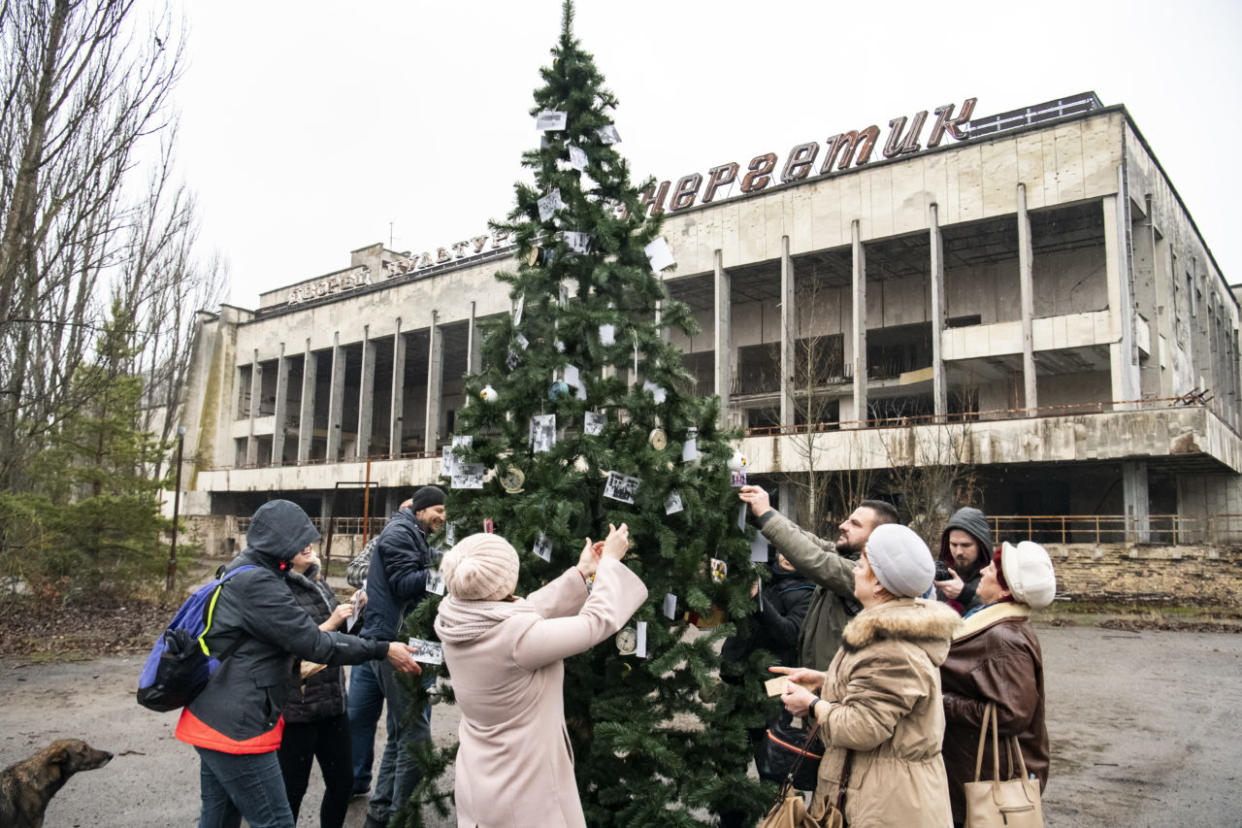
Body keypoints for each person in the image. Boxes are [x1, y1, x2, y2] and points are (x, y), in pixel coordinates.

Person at [174, 499, 420, 828]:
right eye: (300, 539)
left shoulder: (242, 571)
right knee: (276, 821)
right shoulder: (258, 584)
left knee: (219, 819)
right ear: (279, 541)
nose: (308, 545)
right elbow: (314, 643)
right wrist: (382, 648)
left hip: (212, 716)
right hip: (237, 726)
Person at [433, 524, 647, 828]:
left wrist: (581, 571)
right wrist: (610, 562)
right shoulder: (518, 640)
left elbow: (526, 610)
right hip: (523, 793)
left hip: (482, 778)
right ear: (504, 582)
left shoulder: (456, 617)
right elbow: (595, 622)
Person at [775, 523, 962, 827]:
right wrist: (826, 681)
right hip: (884, 793)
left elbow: (863, 727)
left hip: (888, 805)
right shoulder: (893, 630)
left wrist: (811, 705)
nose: (854, 571)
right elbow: (882, 693)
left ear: (878, 583)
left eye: (861, 565)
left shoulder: (888, 642)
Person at [940, 541, 1055, 827]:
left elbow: (1012, 713)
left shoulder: (1004, 638)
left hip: (991, 771)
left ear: (1005, 590)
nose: (983, 570)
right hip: (981, 766)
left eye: (990, 568)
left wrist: (940, 703)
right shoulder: (994, 624)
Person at [359, 486, 446, 828]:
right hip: (395, 643)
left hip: (407, 638)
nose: (441, 516)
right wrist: (447, 571)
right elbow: (403, 583)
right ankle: (402, 818)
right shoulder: (400, 533)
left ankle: (380, 815)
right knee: (416, 738)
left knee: (399, 736)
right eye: (436, 509)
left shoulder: (414, 532)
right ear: (420, 509)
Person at [738, 485, 898, 670]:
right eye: (847, 520)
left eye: (855, 524)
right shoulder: (846, 556)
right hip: (820, 683)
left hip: (838, 691)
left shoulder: (868, 575)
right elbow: (806, 539)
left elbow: (816, 559)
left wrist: (766, 515)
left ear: (877, 537)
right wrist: (760, 514)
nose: (842, 526)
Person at [717, 553, 815, 828]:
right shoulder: (762, 577)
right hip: (736, 683)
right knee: (728, 764)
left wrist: (758, 599)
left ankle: (775, 822)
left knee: (771, 765)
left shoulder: (807, 591)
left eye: (794, 551)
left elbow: (789, 632)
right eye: (782, 550)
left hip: (771, 689)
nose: (787, 557)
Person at [277, 546, 362, 827]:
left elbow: (336, 637)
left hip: (333, 702)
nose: (308, 546)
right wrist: (333, 620)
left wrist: (354, 614)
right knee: (292, 790)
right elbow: (293, 645)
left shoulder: (317, 580)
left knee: (342, 782)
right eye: (299, 542)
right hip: (297, 711)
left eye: (309, 539)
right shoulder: (275, 588)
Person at [346, 497, 410, 798]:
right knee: (358, 714)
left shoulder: (429, 549)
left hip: (407, 646)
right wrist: (381, 575)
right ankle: (356, 780)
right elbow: (352, 571)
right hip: (368, 643)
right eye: (402, 512)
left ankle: (396, 794)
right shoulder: (382, 541)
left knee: (403, 724)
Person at [934, 507, 993, 616]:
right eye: (953, 545)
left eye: (966, 545)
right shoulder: (941, 573)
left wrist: (966, 596)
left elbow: (997, 617)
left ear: (981, 545)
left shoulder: (995, 578)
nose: (958, 552)